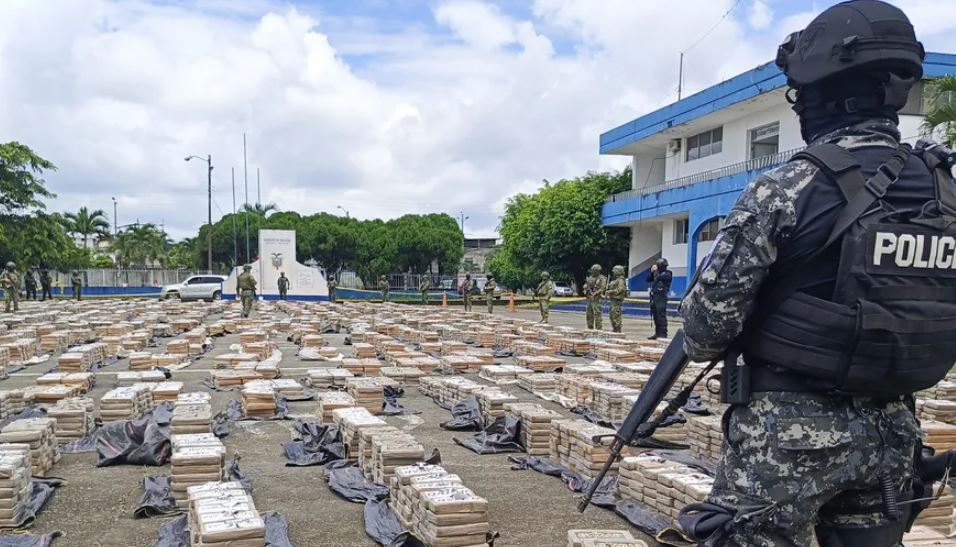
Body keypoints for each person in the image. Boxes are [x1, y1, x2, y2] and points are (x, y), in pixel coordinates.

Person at [678, 3, 949, 545]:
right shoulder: (945, 193)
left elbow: (704, 332)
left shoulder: (790, 187)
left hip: (785, 445)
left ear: (819, 94)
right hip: (894, 437)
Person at [646, 258, 671, 339]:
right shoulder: (657, 273)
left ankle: (663, 334)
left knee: (661, 316)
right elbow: (648, 279)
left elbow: (658, 278)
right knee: (655, 316)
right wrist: (652, 271)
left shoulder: (667, 273)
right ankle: (657, 333)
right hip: (654, 297)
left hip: (661, 298)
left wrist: (655, 271)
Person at [584, 264, 607, 330]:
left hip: (596, 299)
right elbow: (586, 284)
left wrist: (596, 293)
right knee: (589, 314)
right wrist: (585, 287)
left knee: (597, 314)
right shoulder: (590, 277)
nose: (592, 272)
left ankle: (598, 329)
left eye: (594, 271)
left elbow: (603, 288)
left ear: (597, 271)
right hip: (589, 298)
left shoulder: (602, 278)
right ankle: (590, 327)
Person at [606, 265, 627, 333]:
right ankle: (615, 328)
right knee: (612, 315)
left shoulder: (621, 280)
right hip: (613, 300)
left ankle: (617, 328)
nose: (613, 272)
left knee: (615, 314)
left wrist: (610, 291)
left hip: (617, 300)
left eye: (615, 270)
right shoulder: (616, 280)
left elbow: (620, 289)